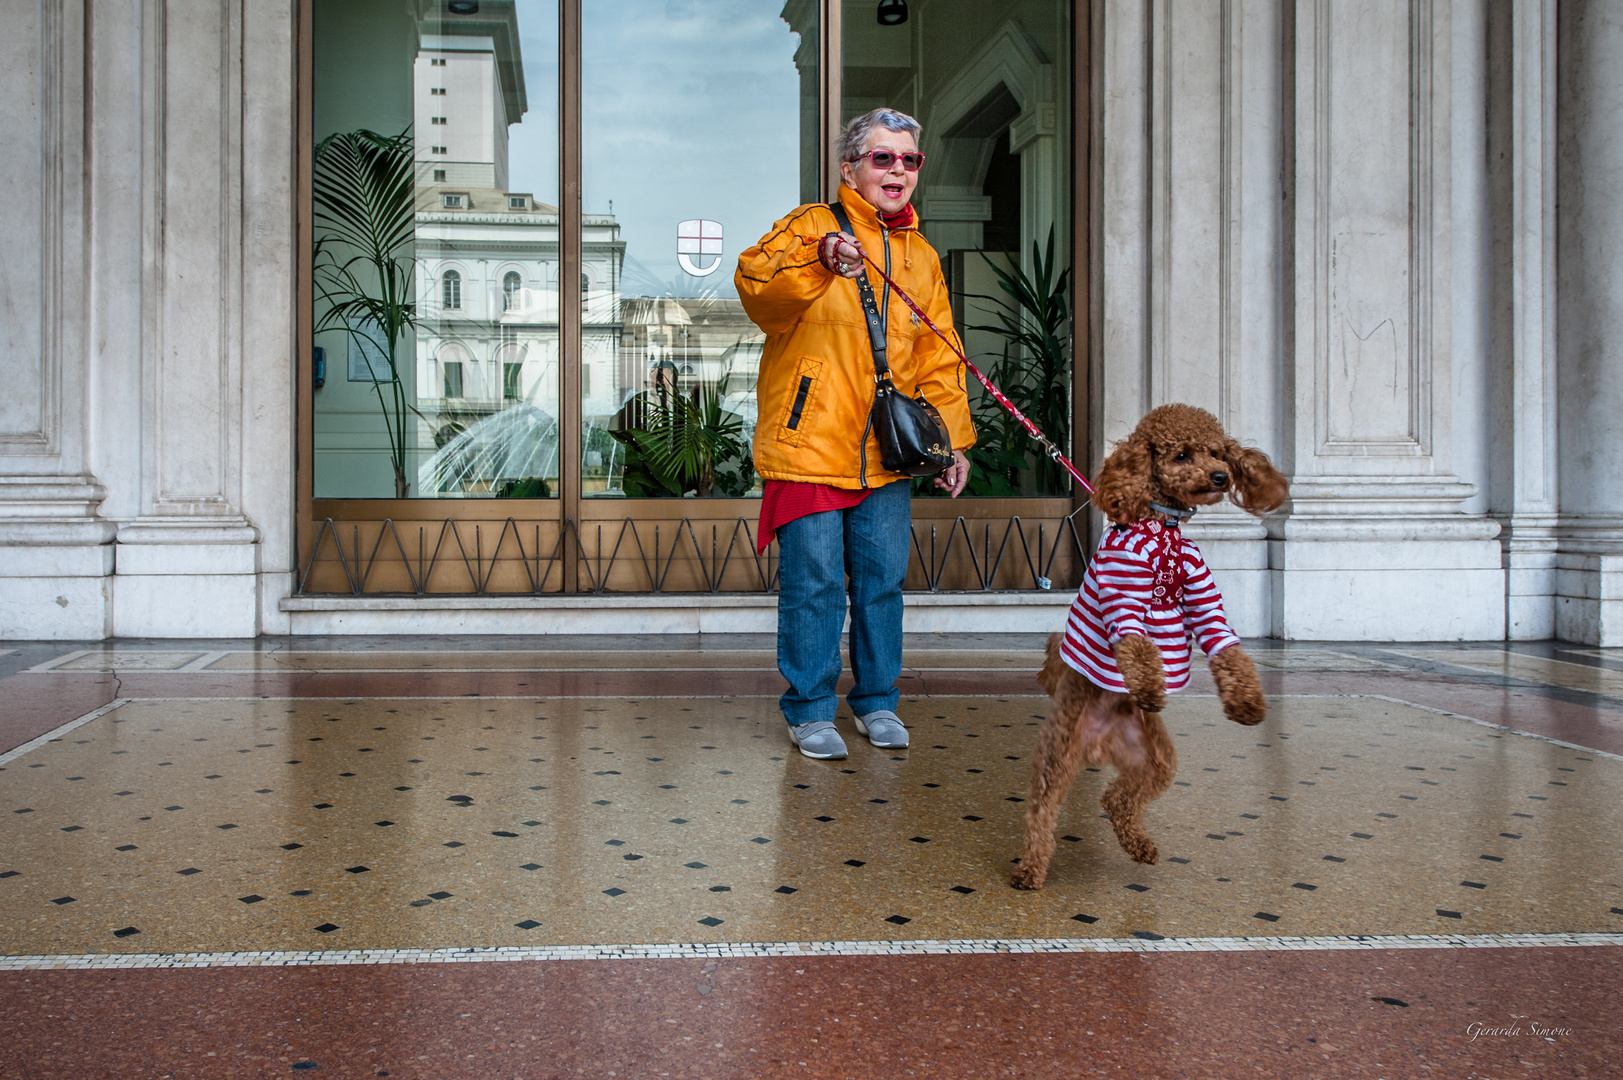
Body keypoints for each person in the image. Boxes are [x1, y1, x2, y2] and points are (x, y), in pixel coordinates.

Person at [735, 107, 975, 760]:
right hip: (810, 449)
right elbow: (758, 290)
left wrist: (952, 440)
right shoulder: (811, 226)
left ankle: (875, 701)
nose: (897, 170)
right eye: (882, 157)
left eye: (909, 160)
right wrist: (820, 260)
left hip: (886, 455)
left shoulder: (920, 255)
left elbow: (939, 354)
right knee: (811, 585)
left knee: (880, 583)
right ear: (850, 168)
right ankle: (810, 708)